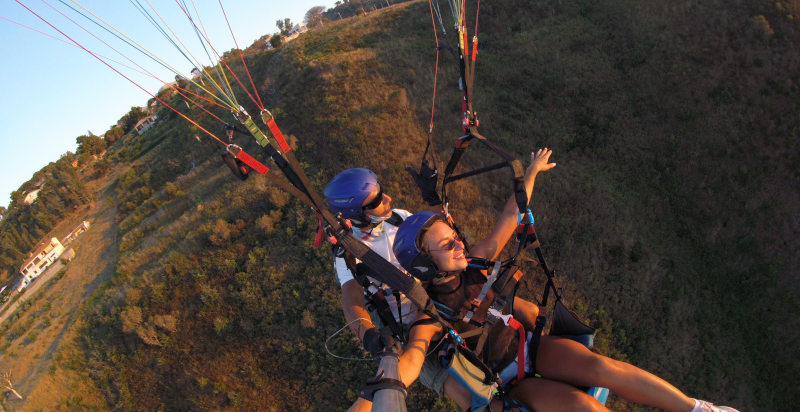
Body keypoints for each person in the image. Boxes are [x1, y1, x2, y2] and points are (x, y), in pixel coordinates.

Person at [391, 148, 740, 412]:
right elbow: (413, 358)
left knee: (602, 367)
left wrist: (530, 174)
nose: (459, 243)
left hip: (534, 348)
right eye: (448, 244)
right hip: (511, 381)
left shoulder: (476, 264)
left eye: (454, 235)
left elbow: (511, 216)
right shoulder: (430, 315)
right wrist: (388, 386)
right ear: (426, 265)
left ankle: (698, 409)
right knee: (586, 408)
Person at [324, 168, 472, 410]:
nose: (388, 199)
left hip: (434, 299)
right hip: (401, 323)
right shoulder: (349, 253)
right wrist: (368, 334)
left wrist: (431, 198)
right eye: (376, 201)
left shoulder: (399, 218)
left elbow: (440, 237)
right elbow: (352, 301)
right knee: (464, 396)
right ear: (356, 214)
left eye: (381, 191)